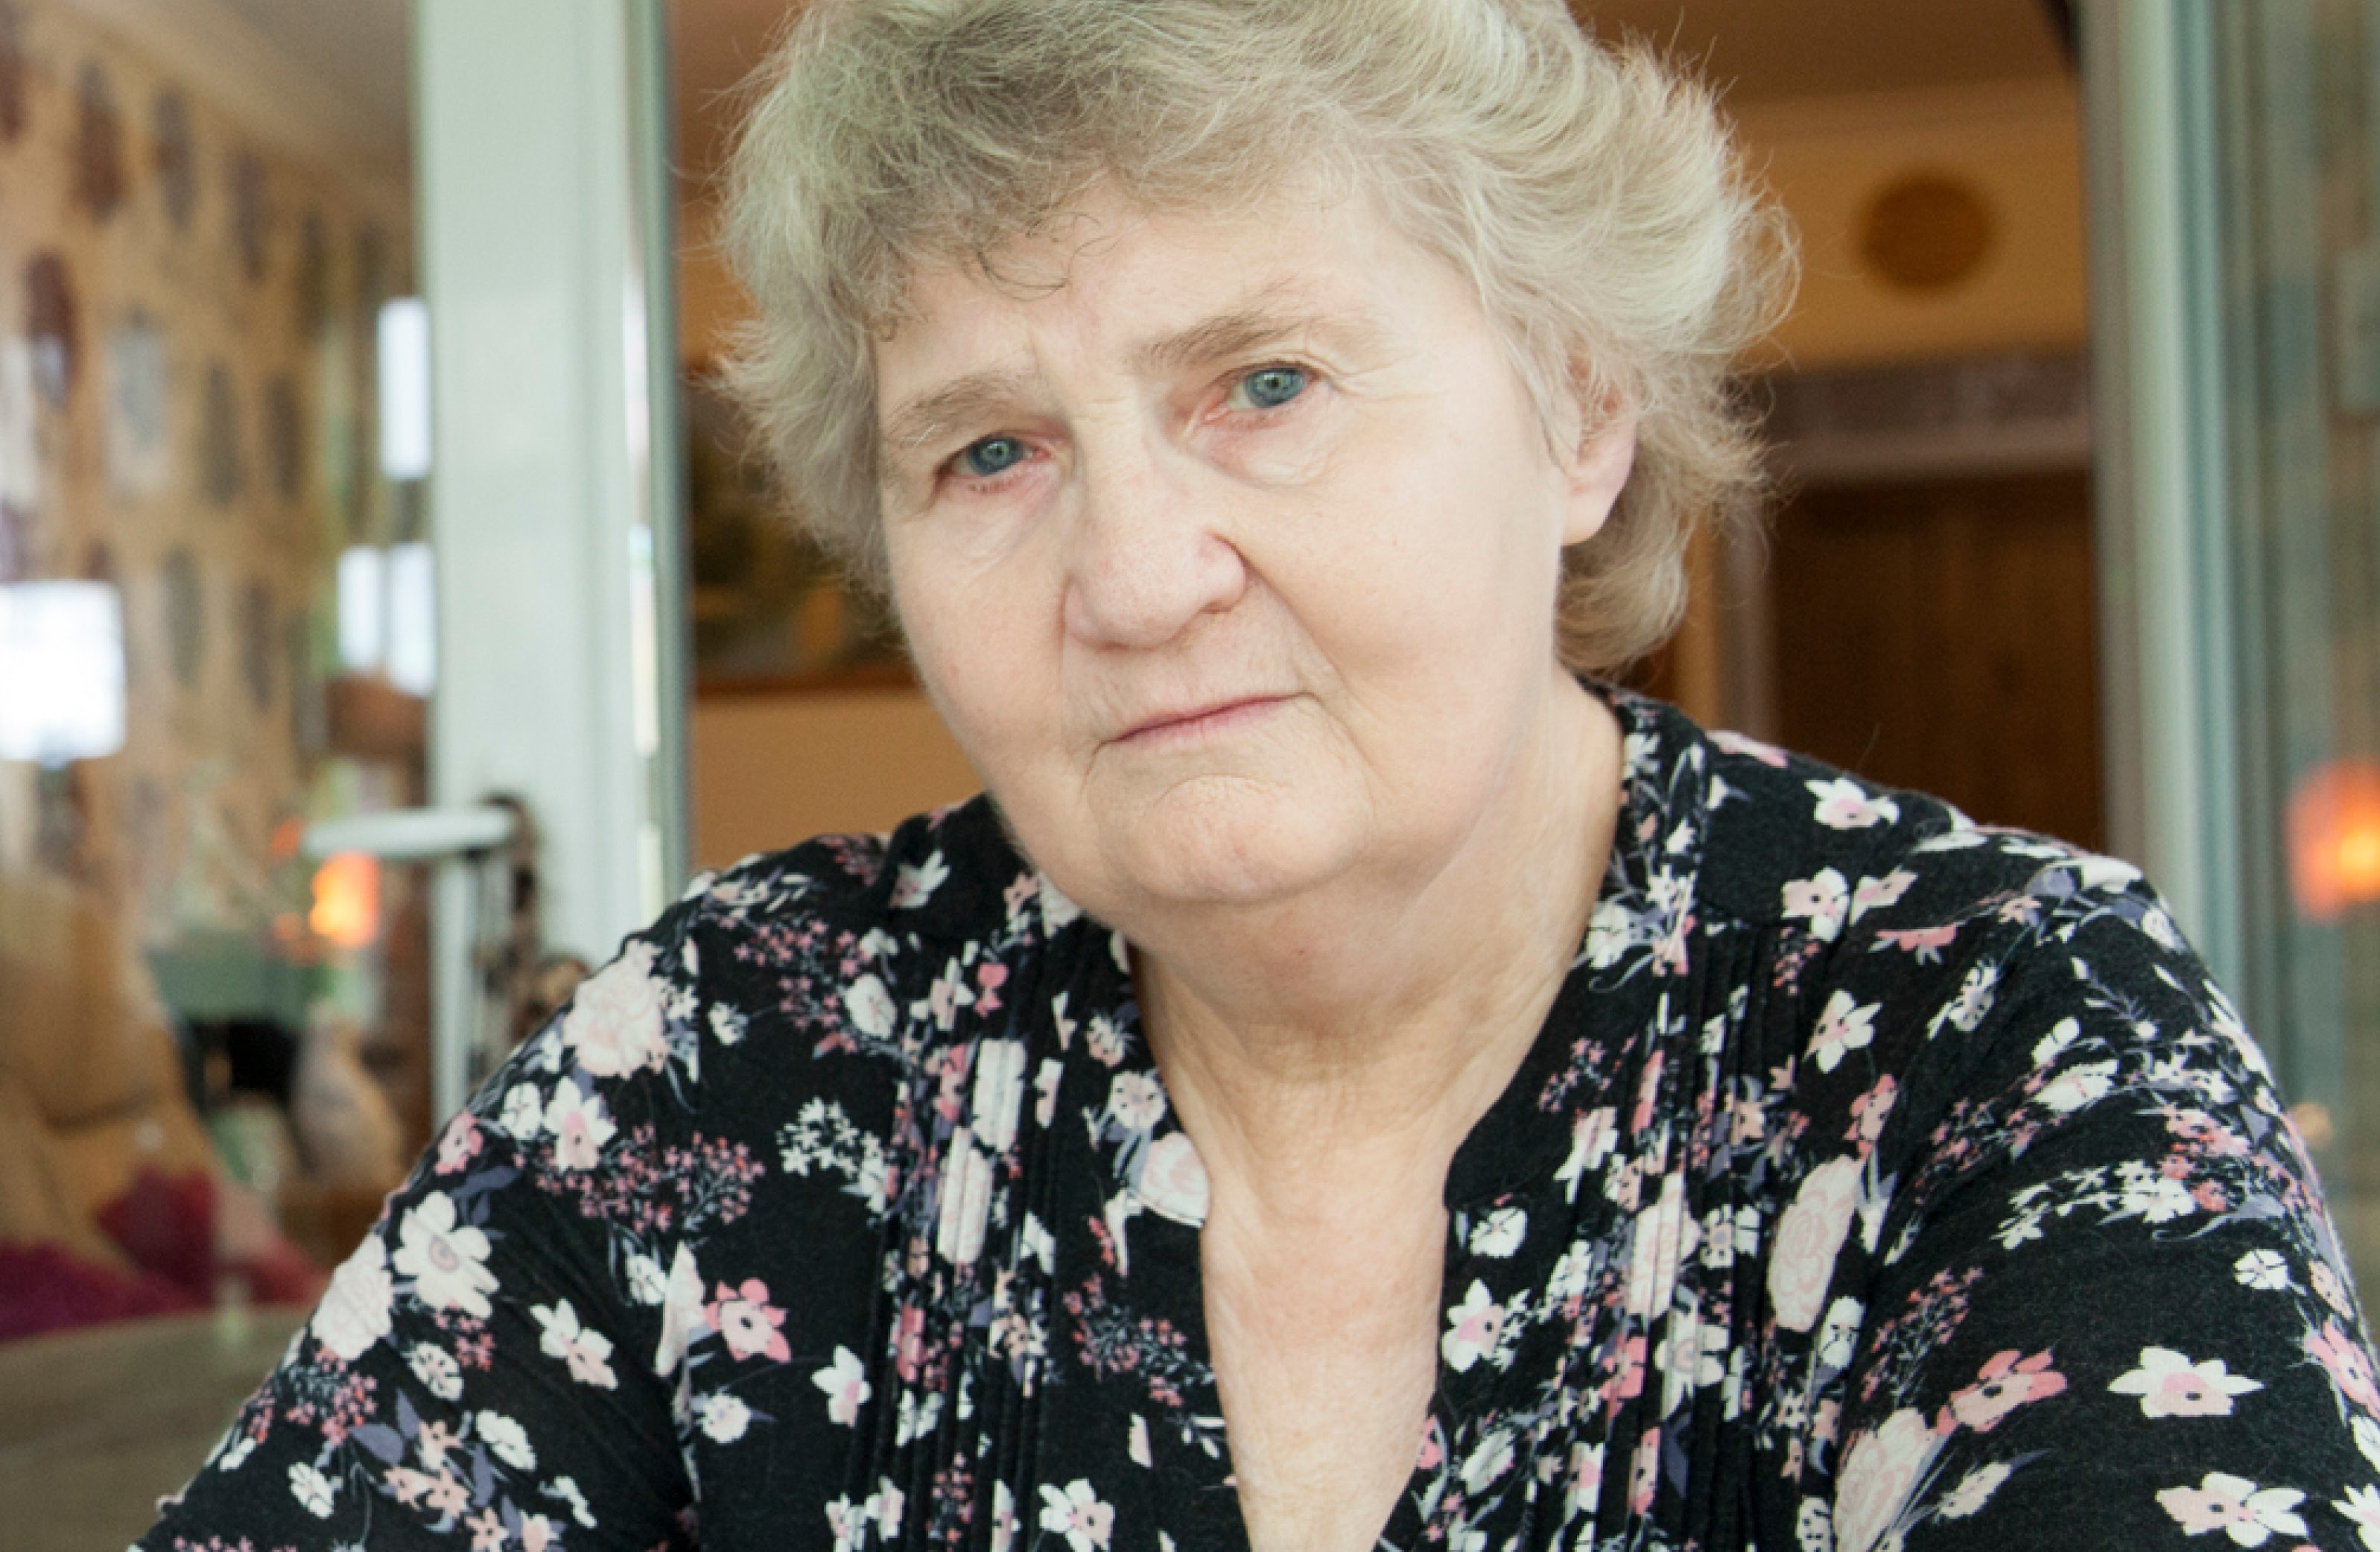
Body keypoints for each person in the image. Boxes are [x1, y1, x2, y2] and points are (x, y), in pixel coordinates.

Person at [138, 1, 2380, 1548]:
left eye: (1265, 380)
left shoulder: (1982, 1020)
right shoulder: (735, 1053)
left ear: (1575, 404)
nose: (1130, 571)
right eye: (990, 446)